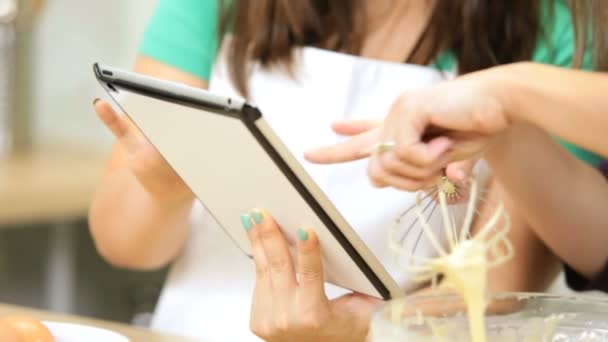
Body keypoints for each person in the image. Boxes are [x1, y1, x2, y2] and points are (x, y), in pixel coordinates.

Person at [89, 0, 597, 340]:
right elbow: (123, 244)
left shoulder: (552, 29)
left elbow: (498, 289)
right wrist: (166, 192)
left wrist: (366, 327)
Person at [305, 3, 608, 295]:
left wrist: (508, 98)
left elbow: (500, 281)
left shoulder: (553, 31)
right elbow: (598, 245)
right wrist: (502, 115)